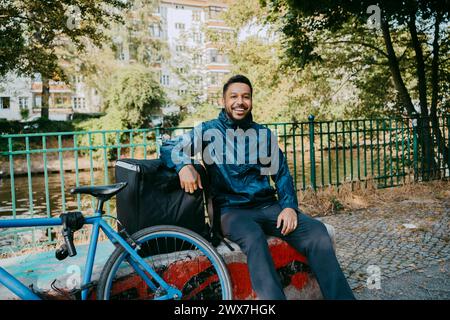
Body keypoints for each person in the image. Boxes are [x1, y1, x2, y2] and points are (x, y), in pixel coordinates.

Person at [160, 74, 355, 300]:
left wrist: (289, 207)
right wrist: (183, 166)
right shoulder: (207, 131)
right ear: (223, 101)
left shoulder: (263, 135)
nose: (240, 101)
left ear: (251, 101)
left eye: (246, 96)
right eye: (233, 96)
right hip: (231, 212)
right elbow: (169, 146)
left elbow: (281, 174)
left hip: (267, 207)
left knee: (317, 232)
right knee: (254, 238)